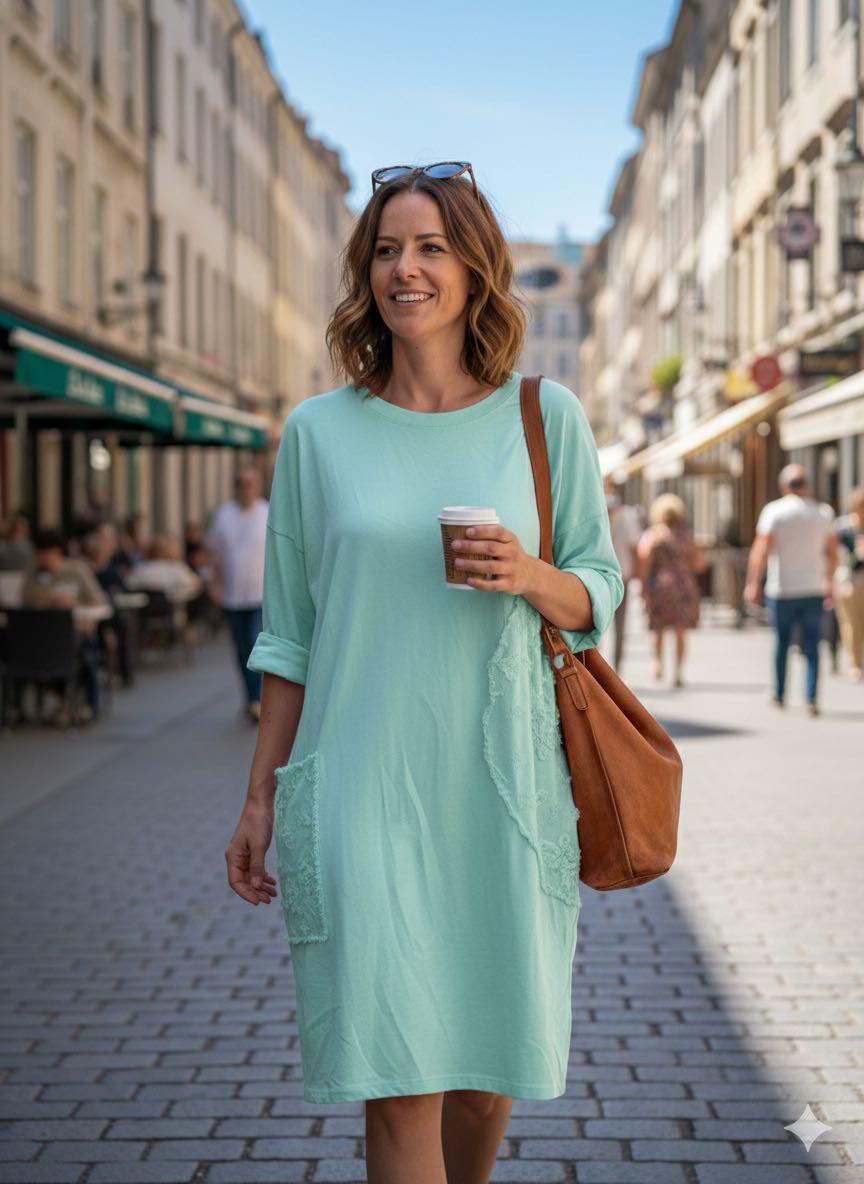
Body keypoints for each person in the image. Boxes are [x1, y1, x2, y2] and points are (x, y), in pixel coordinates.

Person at [224, 161, 624, 1181]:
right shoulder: (318, 433)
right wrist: (261, 796)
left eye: (432, 247)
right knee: (399, 1077)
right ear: (366, 274)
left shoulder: (544, 416)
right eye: (387, 250)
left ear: (475, 268)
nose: (406, 268)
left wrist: (528, 573)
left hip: (505, 792)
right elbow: (289, 638)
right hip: (362, 786)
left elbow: (597, 590)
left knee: (485, 1075)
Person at [744, 464, 837, 715]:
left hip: (782, 588)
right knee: (812, 644)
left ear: (784, 486)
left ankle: (779, 692)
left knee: (782, 642)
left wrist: (753, 583)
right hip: (813, 587)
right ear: (806, 485)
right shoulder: (823, 513)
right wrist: (830, 583)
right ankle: (811, 697)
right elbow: (832, 553)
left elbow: (761, 550)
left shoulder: (774, 511)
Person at [20, 528, 110, 723]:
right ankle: (34, 706)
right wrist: (45, 599)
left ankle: (85, 705)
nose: (42, 559)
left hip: (74, 632)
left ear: (56, 552)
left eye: (45, 554)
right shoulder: (33, 572)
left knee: (85, 654)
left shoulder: (77, 570)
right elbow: (24, 600)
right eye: (39, 554)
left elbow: (99, 602)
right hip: (38, 636)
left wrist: (73, 603)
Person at [206, 468, 268, 722]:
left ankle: (257, 699)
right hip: (232, 595)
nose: (246, 489)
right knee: (241, 649)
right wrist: (215, 584)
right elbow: (214, 554)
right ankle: (250, 697)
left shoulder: (268, 512)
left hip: (260, 594)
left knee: (255, 643)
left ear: (258, 487)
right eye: (242, 485)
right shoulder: (224, 515)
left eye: (250, 484)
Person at [636, 493, 708, 688]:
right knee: (680, 630)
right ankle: (678, 672)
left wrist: (643, 587)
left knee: (658, 629)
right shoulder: (687, 537)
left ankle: (657, 662)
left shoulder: (653, 535)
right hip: (684, 586)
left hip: (660, 586)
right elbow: (700, 563)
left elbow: (643, 560)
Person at [604, 474, 642, 670]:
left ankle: (602, 667)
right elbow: (635, 547)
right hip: (620, 574)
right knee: (619, 624)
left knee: (596, 623)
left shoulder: (597, 511)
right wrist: (637, 574)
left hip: (604, 575)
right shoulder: (627, 516)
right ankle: (615, 667)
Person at [831, 485, 864, 683]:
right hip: (849, 579)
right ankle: (855, 663)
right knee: (851, 624)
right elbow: (836, 554)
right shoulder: (843, 527)